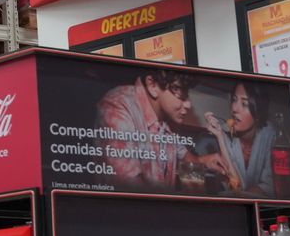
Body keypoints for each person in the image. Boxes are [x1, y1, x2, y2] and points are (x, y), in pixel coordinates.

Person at [95, 69, 233, 190]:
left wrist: (205, 161)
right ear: (152, 85)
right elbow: (128, 189)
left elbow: (186, 158)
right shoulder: (118, 106)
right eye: (178, 90)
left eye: (187, 93)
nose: (188, 104)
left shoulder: (167, 118)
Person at [204, 81, 278, 194]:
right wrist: (220, 137)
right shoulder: (225, 133)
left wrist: (242, 196)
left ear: (258, 112)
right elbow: (235, 185)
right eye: (234, 100)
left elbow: (270, 187)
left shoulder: (271, 136)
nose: (234, 108)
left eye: (245, 104)